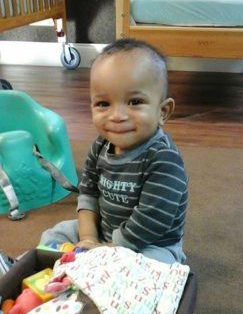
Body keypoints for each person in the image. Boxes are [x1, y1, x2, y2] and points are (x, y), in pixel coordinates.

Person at [40, 38, 188, 264]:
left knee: (147, 269)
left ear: (163, 111)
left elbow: (151, 221)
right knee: (55, 235)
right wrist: (88, 239)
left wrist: (108, 251)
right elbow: (88, 195)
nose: (117, 115)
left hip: (151, 245)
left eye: (134, 101)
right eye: (103, 104)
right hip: (103, 233)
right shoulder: (99, 147)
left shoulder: (164, 160)